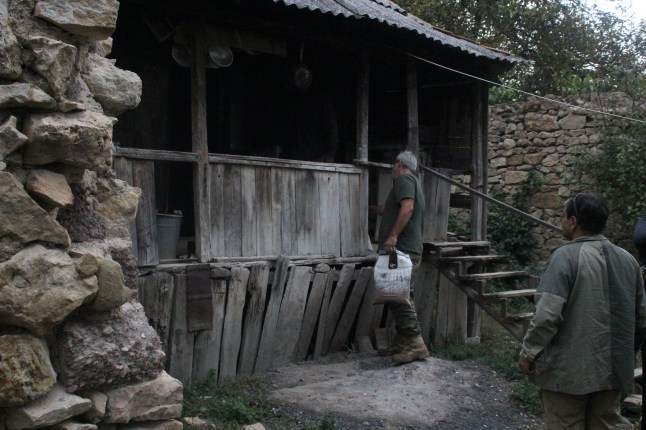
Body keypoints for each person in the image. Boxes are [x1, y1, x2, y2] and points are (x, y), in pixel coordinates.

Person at [518, 193, 646, 429]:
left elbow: (547, 315)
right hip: (614, 371)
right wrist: (625, 355)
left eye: (563, 216)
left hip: (568, 375)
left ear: (573, 221)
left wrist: (528, 353)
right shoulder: (629, 261)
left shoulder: (564, 257)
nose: (561, 222)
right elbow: (640, 320)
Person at [377, 150, 430, 364]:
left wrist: (392, 236)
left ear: (399, 164)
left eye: (393, 165)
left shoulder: (405, 179)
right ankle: (402, 340)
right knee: (397, 295)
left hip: (401, 249)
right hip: (406, 248)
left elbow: (407, 208)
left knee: (398, 297)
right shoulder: (413, 182)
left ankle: (415, 344)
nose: (392, 169)